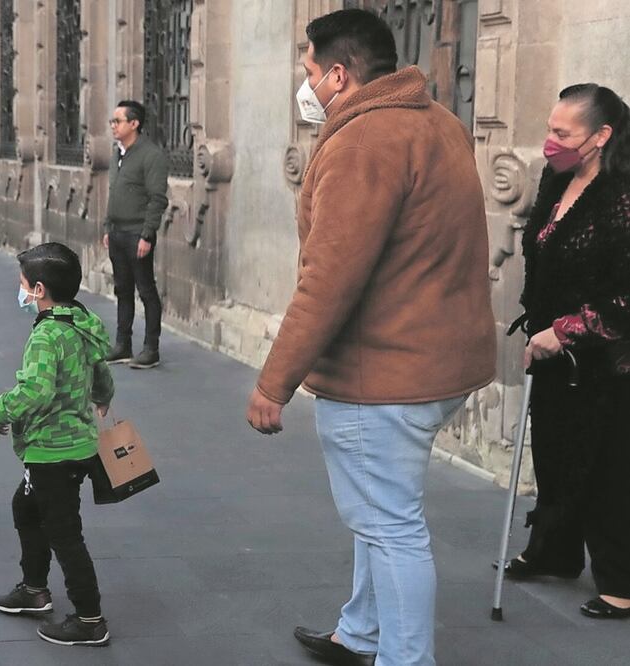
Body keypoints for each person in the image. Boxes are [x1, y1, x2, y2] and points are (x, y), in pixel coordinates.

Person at [245, 9, 496, 665]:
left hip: (382, 372)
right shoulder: (436, 121)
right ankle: (360, 632)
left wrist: (274, 382)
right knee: (379, 512)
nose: (305, 85)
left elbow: (329, 278)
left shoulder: (363, 142)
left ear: (338, 74)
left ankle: (405, 658)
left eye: (309, 71)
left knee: (389, 527)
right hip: (435, 359)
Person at [505, 83, 630, 620]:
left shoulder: (622, 195)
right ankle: (554, 551)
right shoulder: (557, 178)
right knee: (553, 455)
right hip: (551, 350)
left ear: (600, 136)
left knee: (605, 468)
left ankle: (621, 582)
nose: (550, 142)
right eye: (549, 129)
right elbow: (543, 256)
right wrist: (538, 328)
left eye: (563, 133)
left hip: (607, 360)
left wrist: (565, 330)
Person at [0, 242, 115, 647]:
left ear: (39, 290)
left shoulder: (47, 335)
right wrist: (103, 396)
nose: (21, 291)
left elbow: (36, 390)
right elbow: (99, 368)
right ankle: (34, 589)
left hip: (52, 451)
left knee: (64, 533)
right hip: (76, 445)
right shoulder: (78, 321)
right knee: (26, 507)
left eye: (23, 285)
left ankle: (90, 620)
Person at [103, 100, 168, 369]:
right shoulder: (117, 154)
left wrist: (147, 234)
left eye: (117, 121)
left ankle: (151, 348)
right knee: (122, 290)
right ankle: (123, 345)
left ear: (134, 123)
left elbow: (157, 199)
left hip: (137, 234)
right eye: (112, 121)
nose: (113, 126)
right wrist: (107, 227)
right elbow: (113, 193)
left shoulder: (151, 155)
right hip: (117, 233)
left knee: (146, 290)